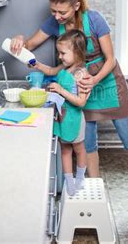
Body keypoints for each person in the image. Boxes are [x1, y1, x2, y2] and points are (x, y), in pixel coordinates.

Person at [10, 0, 128, 214]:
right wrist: (19, 40)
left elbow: (111, 59)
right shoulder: (54, 23)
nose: (56, 16)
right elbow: (29, 43)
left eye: (62, 11)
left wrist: (94, 80)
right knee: (87, 142)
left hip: (107, 81)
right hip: (79, 87)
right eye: (53, 11)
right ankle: (94, 189)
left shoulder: (94, 19)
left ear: (76, 6)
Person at [35, 29, 89, 196]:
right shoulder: (64, 68)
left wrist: (60, 90)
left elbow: (81, 102)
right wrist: (37, 65)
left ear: (77, 53)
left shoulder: (82, 74)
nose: (60, 56)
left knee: (79, 149)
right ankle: (69, 181)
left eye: (63, 53)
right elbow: (51, 71)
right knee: (65, 150)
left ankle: (80, 178)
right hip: (62, 117)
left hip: (75, 119)